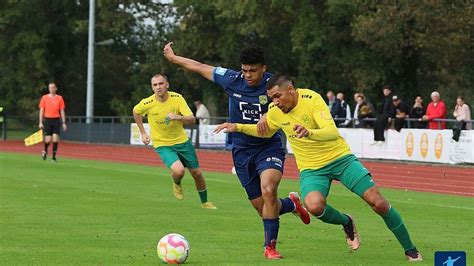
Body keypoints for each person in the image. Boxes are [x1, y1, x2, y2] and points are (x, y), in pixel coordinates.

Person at [214, 74, 422, 262]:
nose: (275, 103)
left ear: (291, 90)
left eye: (278, 96)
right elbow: (265, 132)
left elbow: (331, 131)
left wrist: (309, 132)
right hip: (312, 168)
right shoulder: (275, 111)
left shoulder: (311, 99)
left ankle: (410, 249)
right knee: (314, 206)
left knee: (378, 203)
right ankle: (346, 221)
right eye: (272, 99)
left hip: (341, 159)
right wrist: (237, 127)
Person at [163, 42, 310, 259]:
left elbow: (294, 103)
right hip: (241, 151)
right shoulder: (232, 79)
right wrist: (175, 59)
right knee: (265, 209)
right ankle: (291, 204)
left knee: (269, 189)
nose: (248, 75)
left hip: (269, 147)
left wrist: (270, 114)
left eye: (253, 70)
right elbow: (201, 67)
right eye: (245, 70)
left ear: (263, 68)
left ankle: (269, 247)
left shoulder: (273, 86)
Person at [132, 74, 217, 210]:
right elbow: (136, 112)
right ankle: (176, 182)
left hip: (182, 142)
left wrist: (177, 117)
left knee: (197, 173)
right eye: (155, 85)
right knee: (179, 171)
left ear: (167, 84)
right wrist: (143, 133)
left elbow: (191, 119)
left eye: (161, 83)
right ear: (152, 87)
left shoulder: (177, 99)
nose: (158, 87)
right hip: (162, 144)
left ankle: (205, 202)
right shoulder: (147, 103)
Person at [38, 82, 67, 162]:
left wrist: (64, 122)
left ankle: (53, 157)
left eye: (53, 87)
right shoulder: (44, 97)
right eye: (50, 88)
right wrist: (40, 122)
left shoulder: (60, 98)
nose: (51, 89)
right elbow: (41, 110)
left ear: (56, 88)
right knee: (47, 140)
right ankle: (45, 150)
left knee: (55, 138)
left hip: (56, 120)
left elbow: (62, 110)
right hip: (47, 120)